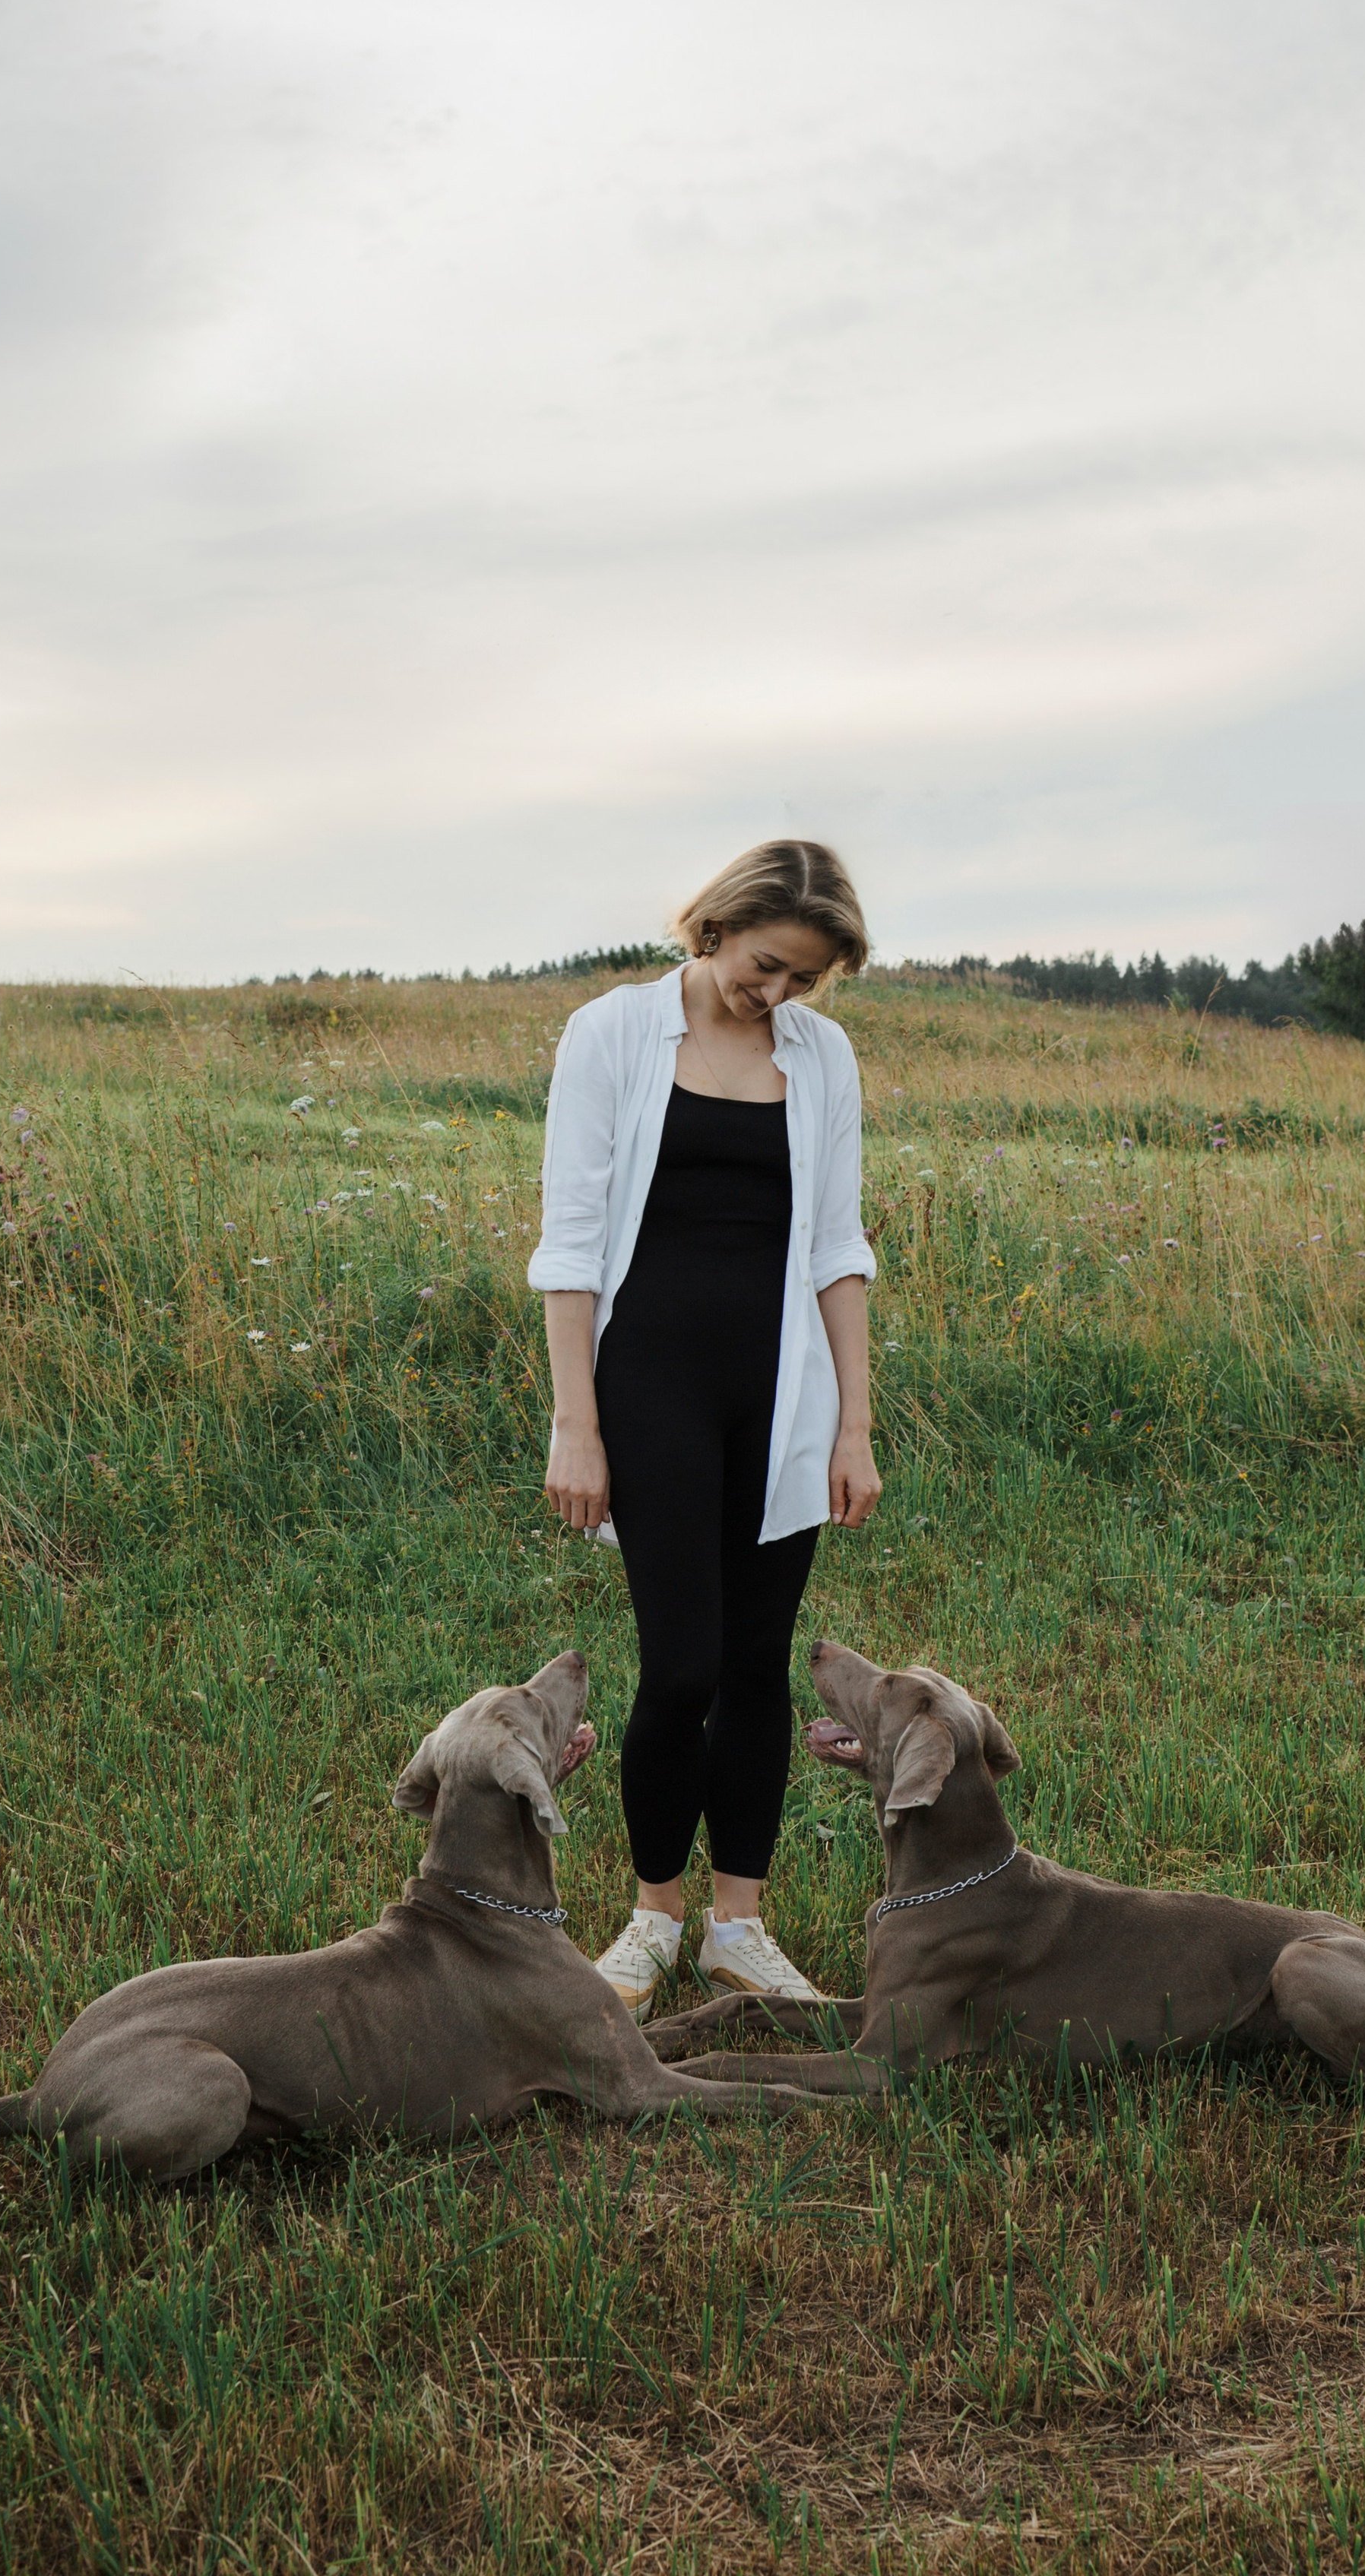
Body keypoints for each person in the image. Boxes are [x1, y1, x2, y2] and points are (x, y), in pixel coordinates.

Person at [527, 839, 882, 2018]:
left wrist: (855, 1427)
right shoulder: (613, 1034)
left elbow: (838, 1248)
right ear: (721, 925)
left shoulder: (822, 1059)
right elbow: (570, 1246)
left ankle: (741, 1927)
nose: (775, 995)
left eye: (803, 981)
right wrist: (576, 1424)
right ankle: (651, 1922)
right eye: (769, 965)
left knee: (758, 1667)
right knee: (680, 1662)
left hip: (783, 1398)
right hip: (652, 1387)